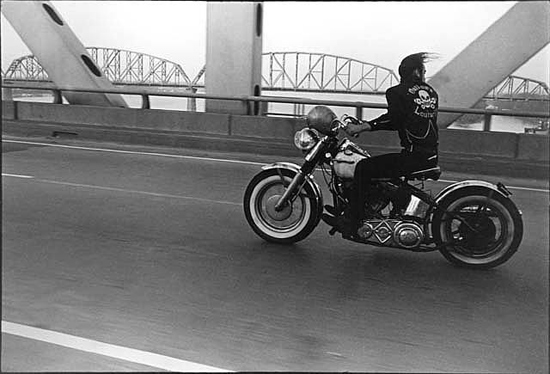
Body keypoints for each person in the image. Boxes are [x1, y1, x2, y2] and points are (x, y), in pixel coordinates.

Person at [323, 52, 440, 237]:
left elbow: (394, 120)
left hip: (413, 157)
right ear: (416, 72)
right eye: (423, 70)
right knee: (380, 172)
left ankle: (351, 221)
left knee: (363, 168)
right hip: (429, 155)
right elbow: (406, 119)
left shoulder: (397, 92)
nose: (424, 74)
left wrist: (362, 127)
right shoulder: (431, 93)